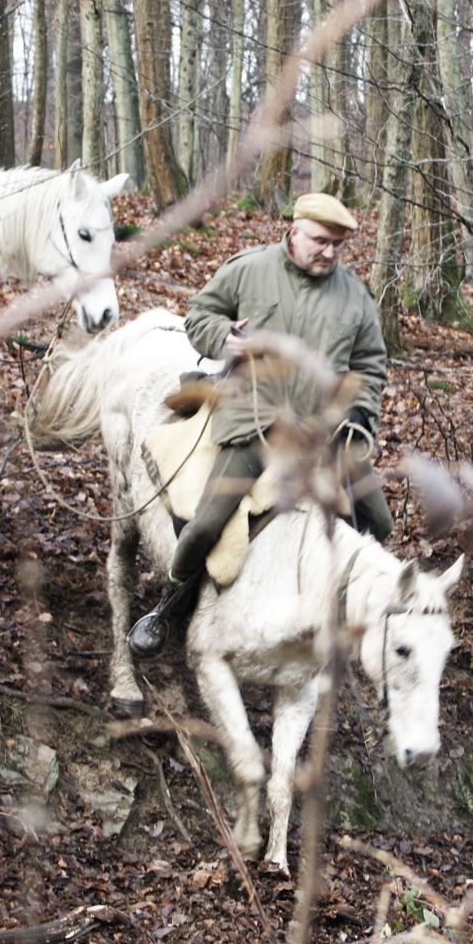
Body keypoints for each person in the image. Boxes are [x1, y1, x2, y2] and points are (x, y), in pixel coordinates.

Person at [127, 192, 395, 659]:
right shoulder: (250, 269)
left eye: (337, 244)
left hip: (321, 433)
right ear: (294, 230)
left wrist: (358, 413)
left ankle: (357, 617)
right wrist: (224, 337)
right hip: (253, 422)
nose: (328, 252)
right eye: (319, 240)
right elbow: (200, 315)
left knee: (378, 520)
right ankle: (170, 604)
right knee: (205, 525)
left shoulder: (354, 297)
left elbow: (371, 365)